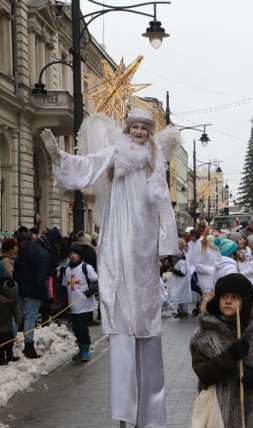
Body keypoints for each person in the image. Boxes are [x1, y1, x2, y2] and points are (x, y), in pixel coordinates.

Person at [41, 106, 181, 427]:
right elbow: (89, 165)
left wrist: (166, 243)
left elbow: (161, 202)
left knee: (145, 321)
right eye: (135, 127)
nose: (139, 132)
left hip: (143, 238)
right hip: (119, 231)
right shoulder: (116, 152)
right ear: (128, 128)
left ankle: (149, 413)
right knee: (120, 310)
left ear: (149, 132)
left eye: (145, 129)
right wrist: (59, 156)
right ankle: (125, 412)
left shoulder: (155, 161)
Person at [190, 273, 253, 427]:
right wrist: (230, 355)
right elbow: (203, 373)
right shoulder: (204, 335)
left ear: (244, 302)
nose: (228, 301)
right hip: (219, 415)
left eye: (235, 297)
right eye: (224, 296)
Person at [14, 227, 63, 359]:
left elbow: (17, 266)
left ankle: (8, 344)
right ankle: (28, 346)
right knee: (30, 317)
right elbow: (41, 278)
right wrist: (46, 296)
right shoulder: (44, 254)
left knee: (17, 316)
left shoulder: (29, 246)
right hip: (33, 291)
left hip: (20, 287)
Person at [62, 244, 99, 362]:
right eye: (71, 254)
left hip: (84, 304)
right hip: (72, 304)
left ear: (79, 255)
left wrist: (91, 290)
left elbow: (96, 281)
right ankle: (80, 348)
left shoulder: (86, 267)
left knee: (83, 328)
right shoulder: (67, 269)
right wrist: (64, 303)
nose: (73, 256)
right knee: (76, 328)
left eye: (75, 253)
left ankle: (86, 350)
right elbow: (64, 286)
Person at [0, 277, 22, 365]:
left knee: (10, 338)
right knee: (1, 340)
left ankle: (10, 354)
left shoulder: (13, 295)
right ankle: (1, 357)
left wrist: (18, 318)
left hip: (8, 322)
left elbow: (15, 308)